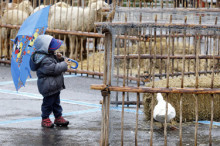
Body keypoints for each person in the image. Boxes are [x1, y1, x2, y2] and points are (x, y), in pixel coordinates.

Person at [30, 35, 71, 128]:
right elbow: (54, 69)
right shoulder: (44, 60)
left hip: (54, 86)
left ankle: (58, 117)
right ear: (45, 48)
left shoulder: (48, 55)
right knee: (48, 104)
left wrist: (59, 58)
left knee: (56, 103)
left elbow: (54, 62)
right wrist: (64, 64)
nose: (54, 50)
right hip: (48, 86)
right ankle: (45, 118)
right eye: (52, 48)